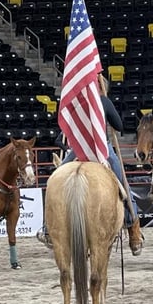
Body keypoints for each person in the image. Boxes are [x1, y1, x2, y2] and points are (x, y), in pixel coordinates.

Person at [37, 75, 138, 247]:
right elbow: (120, 126)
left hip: (79, 148)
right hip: (101, 149)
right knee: (123, 186)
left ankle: (47, 229)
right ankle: (133, 230)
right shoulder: (104, 101)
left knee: (55, 179)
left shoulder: (78, 102)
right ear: (101, 86)